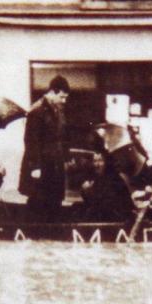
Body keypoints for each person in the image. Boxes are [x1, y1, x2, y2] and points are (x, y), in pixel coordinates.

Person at [19, 75, 70, 221]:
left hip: (55, 163)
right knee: (38, 199)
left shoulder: (58, 110)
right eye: (62, 97)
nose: (64, 101)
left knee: (54, 199)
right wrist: (35, 166)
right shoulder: (37, 111)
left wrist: (65, 158)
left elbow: (62, 136)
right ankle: (34, 231)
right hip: (42, 164)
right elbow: (31, 140)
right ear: (52, 92)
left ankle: (52, 230)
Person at [80, 151, 136, 222]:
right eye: (95, 161)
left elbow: (108, 203)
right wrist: (85, 191)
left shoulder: (114, 179)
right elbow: (90, 202)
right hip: (101, 218)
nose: (97, 164)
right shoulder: (94, 178)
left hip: (115, 219)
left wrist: (92, 192)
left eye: (100, 160)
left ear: (106, 162)